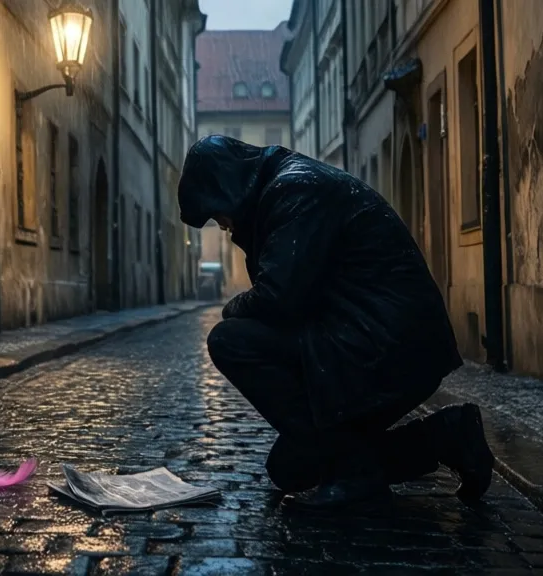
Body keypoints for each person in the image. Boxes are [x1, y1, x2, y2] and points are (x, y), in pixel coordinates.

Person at [178, 135, 494, 510]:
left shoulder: (294, 189)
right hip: (363, 336)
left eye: (218, 213)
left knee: (230, 340)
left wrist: (233, 308)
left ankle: (354, 471)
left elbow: (278, 298)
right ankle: (445, 436)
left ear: (228, 185)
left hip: (387, 343)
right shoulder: (286, 187)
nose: (224, 226)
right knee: (290, 469)